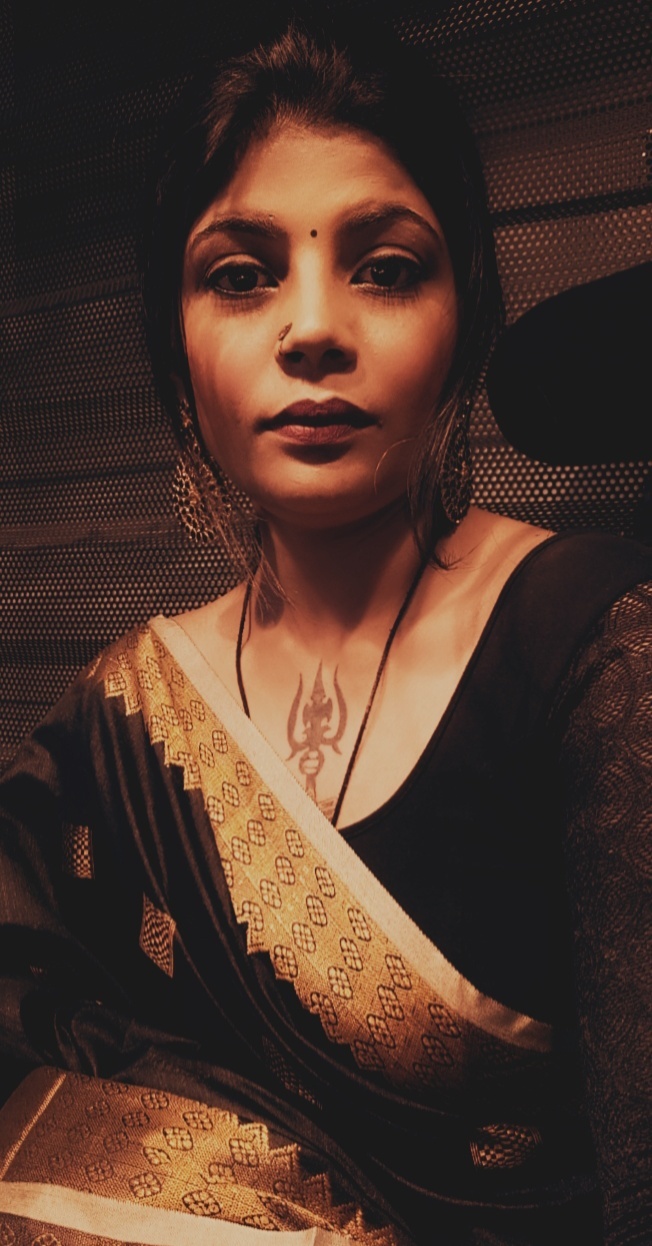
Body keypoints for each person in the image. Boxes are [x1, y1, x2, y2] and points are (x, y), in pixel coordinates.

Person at [0, 21, 650, 1246]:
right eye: (240, 274)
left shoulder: (593, 649)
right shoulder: (114, 720)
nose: (311, 329)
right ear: (174, 349)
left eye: (386, 267)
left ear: (464, 319)